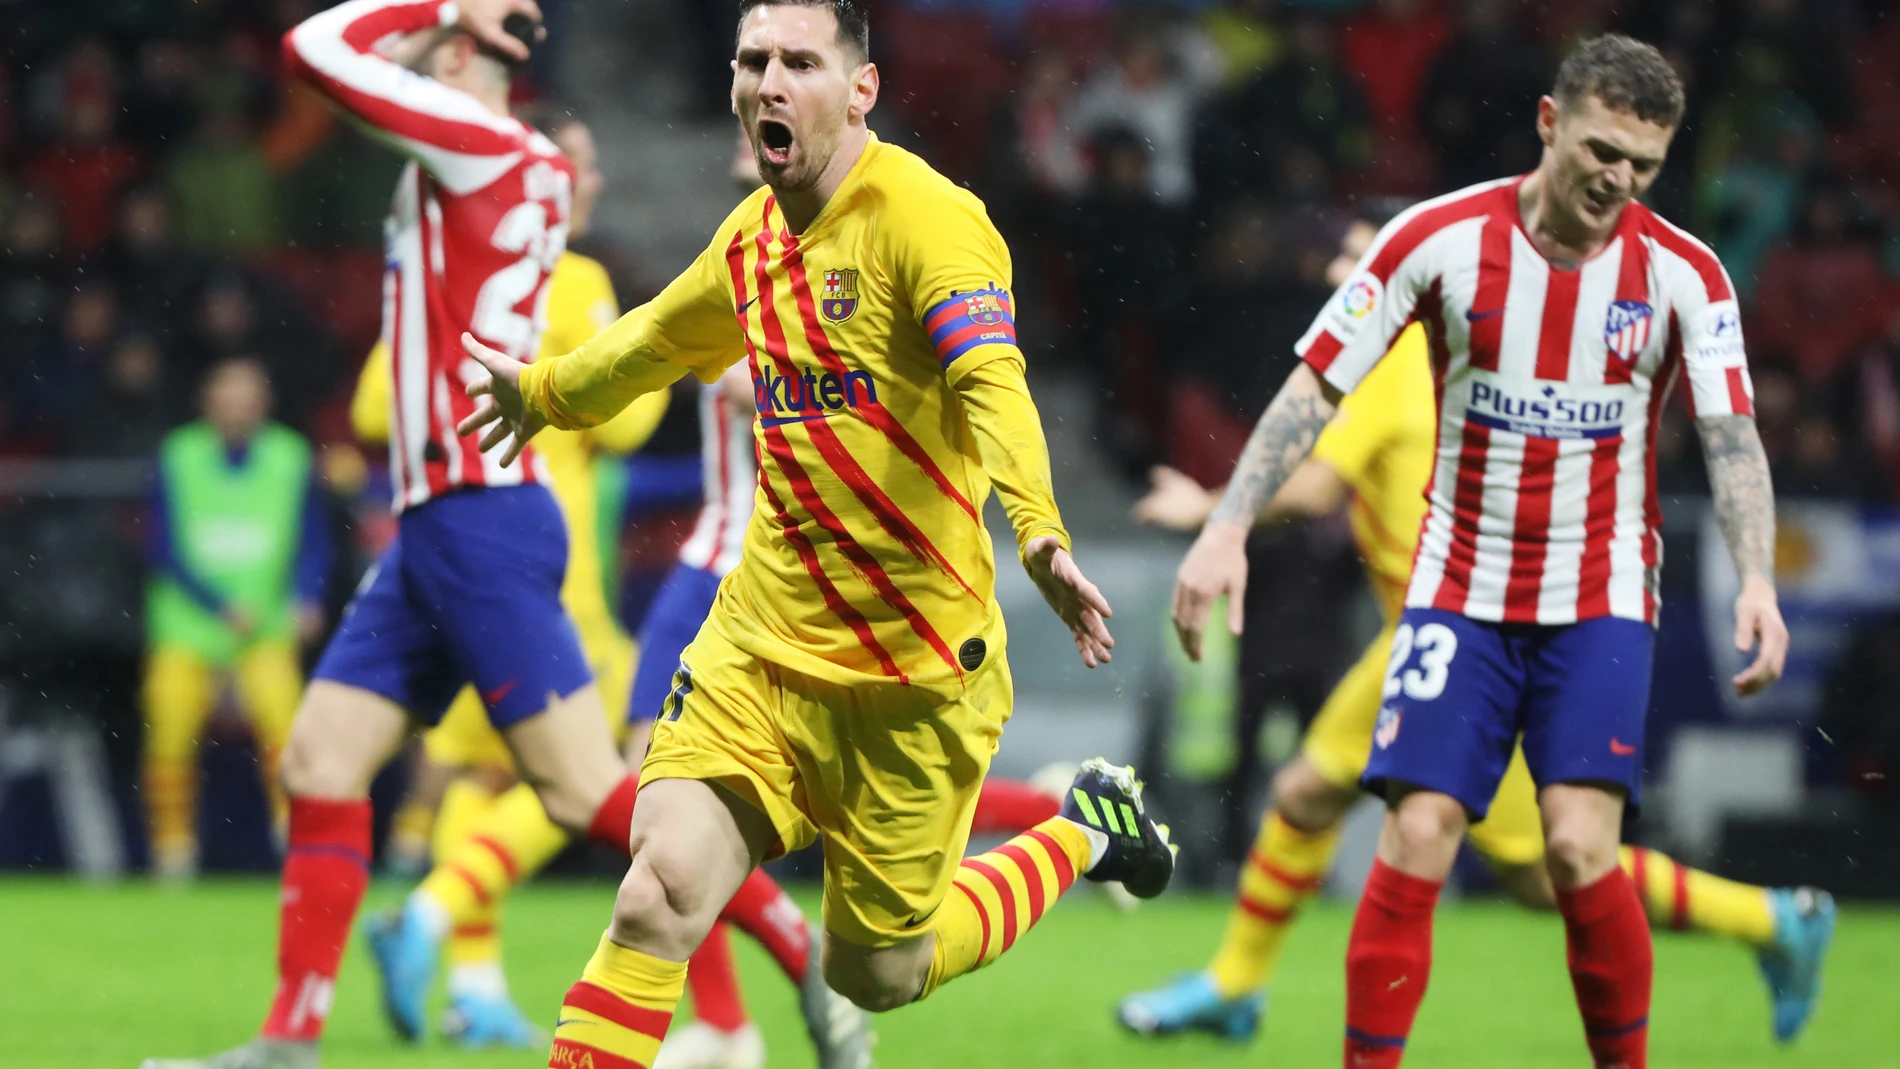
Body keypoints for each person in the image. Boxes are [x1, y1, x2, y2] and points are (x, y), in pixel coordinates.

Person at [455, 4, 1176, 1067]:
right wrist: (544, 393)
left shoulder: (931, 220)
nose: (770, 83)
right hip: (761, 648)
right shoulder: (750, 243)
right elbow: (657, 336)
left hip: (910, 670)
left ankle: (1082, 831)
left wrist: (1037, 528)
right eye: (754, 61)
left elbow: (991, 379)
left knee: (877, 972)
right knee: (658, 891)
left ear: (861, 89)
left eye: (800, 61)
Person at [137, 4, 828, 1067]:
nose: (407, 65)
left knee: (580, 791)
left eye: (430, 55)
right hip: (445, 522)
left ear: (460, 59)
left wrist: (440, 10)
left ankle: (794, 944)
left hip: (478, 519)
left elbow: (317, 51)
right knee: (323, 758)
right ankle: (287, 1044)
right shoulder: (522, 166)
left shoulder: (477, 149)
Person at [1171, 35, 1804, 1069]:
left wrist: (1760, 584)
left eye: (1642, 166)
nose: (1618, 180)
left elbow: (1732, 439)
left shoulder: (1686, 275)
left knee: (1573, 847)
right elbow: (1315, 387)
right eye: (1601, 151)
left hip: (1598, 592)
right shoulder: (1435, 238)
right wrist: (1228, 524)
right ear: (1550, 124)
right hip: (1457, 591)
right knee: (1416, 829)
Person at [347, 109, 668, 1049]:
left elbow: (374, 402)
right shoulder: (579, 280)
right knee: (603, 770)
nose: (595, 179)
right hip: (545, 556)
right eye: (582, 165)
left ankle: (474, 988)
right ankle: (433, 914)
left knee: (482, 778)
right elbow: (630, 430)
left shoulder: (452, 282)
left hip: (452, 550)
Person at [143, 357, 330, 880]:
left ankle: (293, 842)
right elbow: (161, 546)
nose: (237, 407)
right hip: (188, 626)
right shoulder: (178, 455)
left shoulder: (290, 457)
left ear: (263, 403)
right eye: (227, 396)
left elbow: (313, 537)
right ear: (207, 402)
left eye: (247, 397)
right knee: (171, 730)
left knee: (286, 730)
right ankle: (173, 847)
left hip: (264, 625)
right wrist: (216, 604)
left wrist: (306, 594)